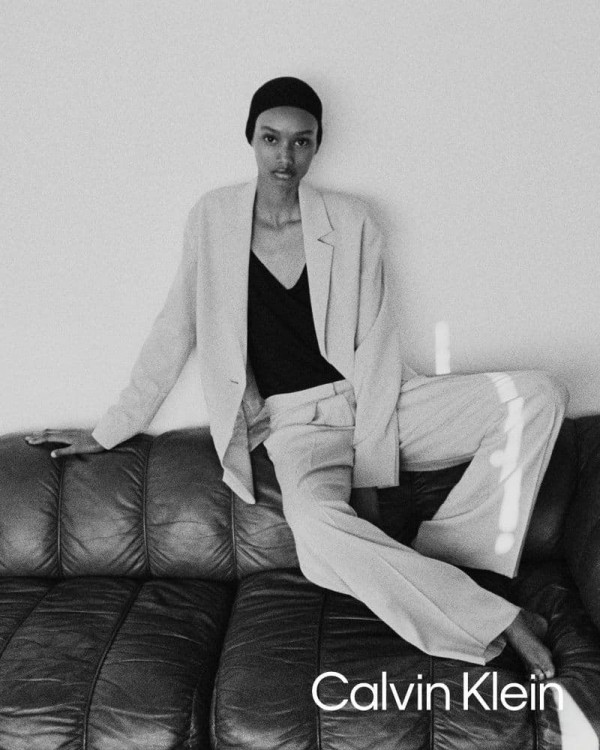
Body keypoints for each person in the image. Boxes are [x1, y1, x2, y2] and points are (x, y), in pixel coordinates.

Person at [25, 76, 569, 680]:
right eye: (271, 138)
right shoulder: (213, 219)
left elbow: (376, 344)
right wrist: (108, 431)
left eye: (301, 141)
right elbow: (174, 330)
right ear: (251, 139)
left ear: (317, 145)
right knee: (315, 532)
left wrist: (370, 467)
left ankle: (450, 564)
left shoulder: (352, 219)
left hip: (379, 402)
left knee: (538, 395)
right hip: (295, 425)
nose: (285, 156)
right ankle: (498, 617)